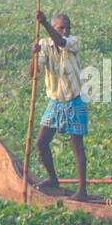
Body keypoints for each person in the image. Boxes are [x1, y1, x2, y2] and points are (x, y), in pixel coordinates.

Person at [33, 11, 88, 200]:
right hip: (55, 101)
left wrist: (46, 24)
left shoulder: (73, 42)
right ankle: (52, 179)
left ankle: (82, 191)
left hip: (74, 99)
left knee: (76, 145)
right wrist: (33, 56)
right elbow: (33, 74)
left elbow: (62, 42)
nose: (65, 31)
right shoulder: (44, 46)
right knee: (41, 143)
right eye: (61, 27)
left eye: (67, 27)